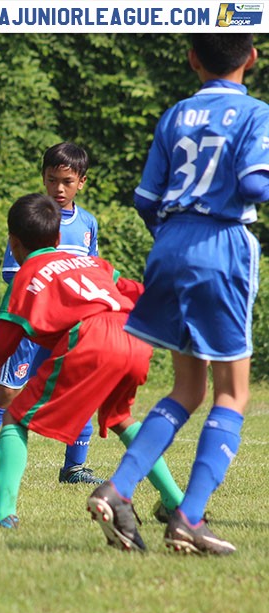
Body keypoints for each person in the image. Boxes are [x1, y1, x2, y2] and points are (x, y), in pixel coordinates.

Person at [88, 33, 269, 555]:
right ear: (252, 59)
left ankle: (117, 489)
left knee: (186, 389)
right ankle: (189, 516)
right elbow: (255, 186)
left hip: (169, 245)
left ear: (192, 60)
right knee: (232, 392)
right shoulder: (256, 114)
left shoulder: (175, 115)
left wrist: (173, 239)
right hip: (220, 243)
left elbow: (147, 197)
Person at [0, 194, 181, 529]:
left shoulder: (26, 277)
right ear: (56, 238)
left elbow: (4, 340)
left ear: (14, 242)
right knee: (121, 417)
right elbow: (131, 289)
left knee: (15, 418)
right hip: (133, 336)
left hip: (92, 338)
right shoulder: (90, 263)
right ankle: (176, 503)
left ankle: (2, 514)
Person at [0, 142, 107, 487]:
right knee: (7, 392)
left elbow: (91, 270)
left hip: (70, 330)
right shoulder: (32, 217)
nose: (58, 189)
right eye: (51, 180)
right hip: (32, 329)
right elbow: (12, 272)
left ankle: (74, 467)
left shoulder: (88, 224)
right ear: (43, 179)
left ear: (82, 182)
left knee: (82, 393)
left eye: (66, 181)